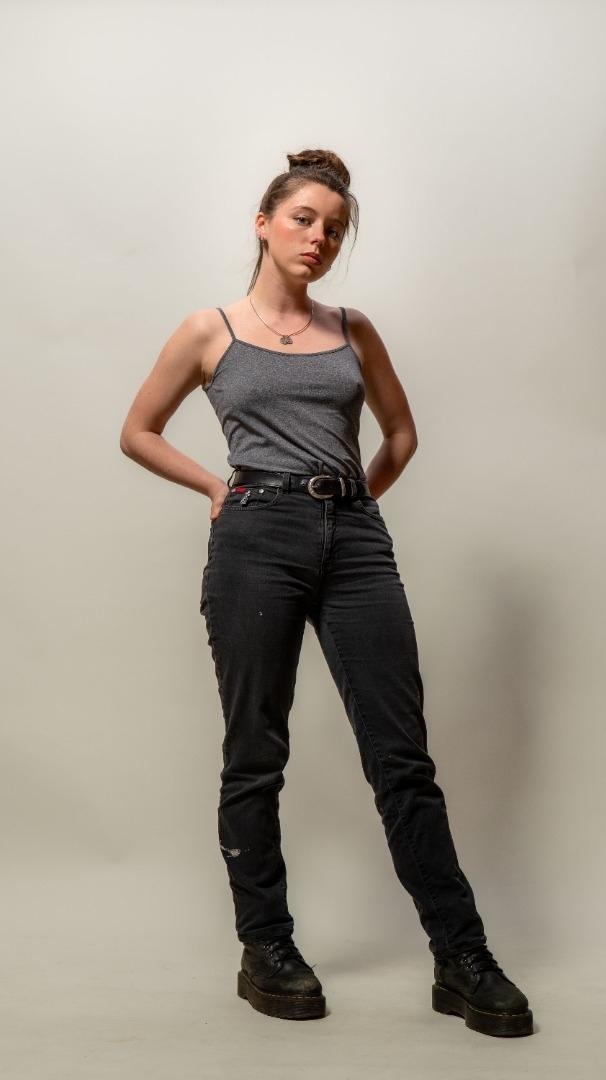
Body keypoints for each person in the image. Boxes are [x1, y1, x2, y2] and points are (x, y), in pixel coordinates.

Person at [120, 149, 533, 1037]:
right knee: (255, 752)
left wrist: (349, 507)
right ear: (264, 224)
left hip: (354, 539)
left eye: (335, 229)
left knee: (401, 756)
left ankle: (462, 957)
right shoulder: (208, 330)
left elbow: (401, 432)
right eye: (304, 219)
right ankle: (266, 948)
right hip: (254, 536)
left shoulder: (353, 328)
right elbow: (138, 430)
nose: (319, 238)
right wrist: (214, 487)